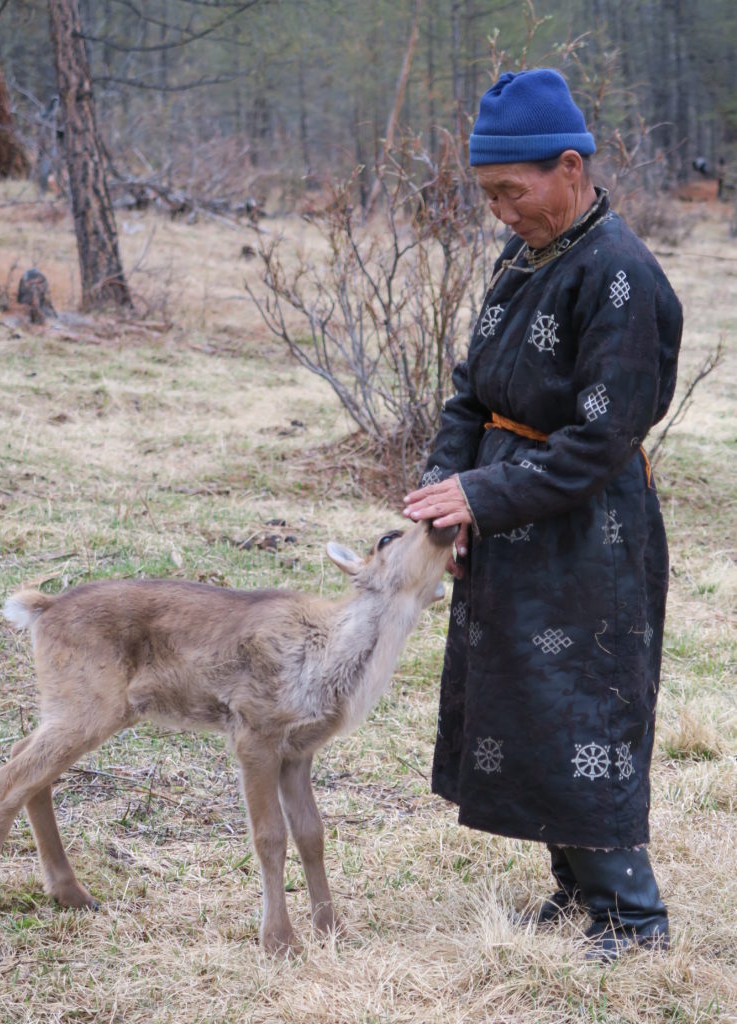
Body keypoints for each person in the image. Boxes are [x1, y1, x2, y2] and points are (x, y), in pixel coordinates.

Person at [402, 68, 683, 961]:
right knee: (525, 706)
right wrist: (444, 502)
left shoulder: (621, 276)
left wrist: (483, 494)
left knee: (584, 713)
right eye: (486, 195)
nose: (499, 211)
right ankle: (576, 897)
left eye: (508, 192)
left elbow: (602, 442)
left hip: (589, 536)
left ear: (569, 167)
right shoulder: (525, 256)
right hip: (517, 526)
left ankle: (630, 920)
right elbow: (468, 394)